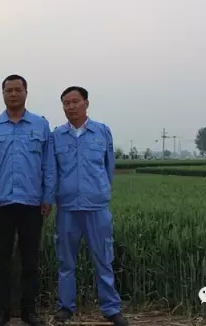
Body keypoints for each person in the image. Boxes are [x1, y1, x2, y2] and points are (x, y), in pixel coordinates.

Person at [0, 74, 56, 326]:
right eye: (9, 90)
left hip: (32, 203)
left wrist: (47, 196)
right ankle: (0, 312)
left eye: (18, 90)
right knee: (1, 260)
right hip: (1, 204)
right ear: (2, 94)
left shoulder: (40, 125)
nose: (13, 94)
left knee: (30, 261)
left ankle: (28, 311)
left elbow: (48, 164)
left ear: (26, 93)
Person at [51, 86, 128, 326]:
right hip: (67, 208)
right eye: (66, 103)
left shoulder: (102, 132)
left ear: (86, 103)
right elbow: (53, 170)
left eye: (75, 101)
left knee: (103, 259)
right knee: (66, 262)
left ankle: (111, 308)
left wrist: (100, 191)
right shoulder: (56, 136)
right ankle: (66, 307)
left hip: (96, 207)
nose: (71, 106)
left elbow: (108, 166)